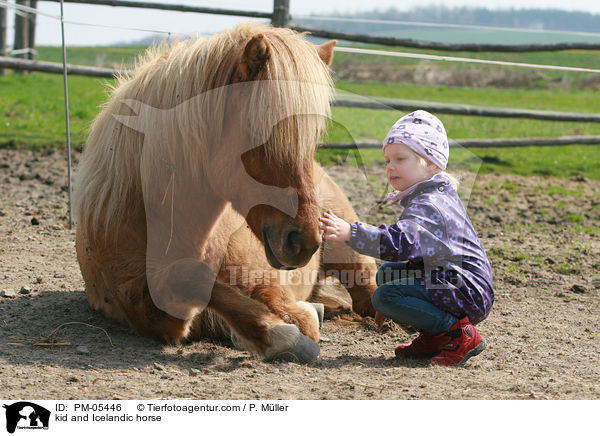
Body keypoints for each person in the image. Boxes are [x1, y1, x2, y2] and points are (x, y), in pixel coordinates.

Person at [319, 110, 494, 366]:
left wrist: (350, 232)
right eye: (387, 160)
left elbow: (400, 243)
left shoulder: (430, 204)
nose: (390, 167)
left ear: (431, 163)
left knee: (384, 296)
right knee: (387, 274)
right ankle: (436, 337)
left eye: (400, 158)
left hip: (464, 289)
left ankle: (458, 334)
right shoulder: (432, 195)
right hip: (457, 282)